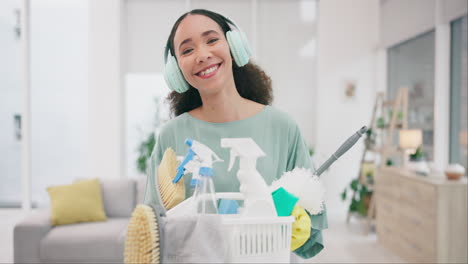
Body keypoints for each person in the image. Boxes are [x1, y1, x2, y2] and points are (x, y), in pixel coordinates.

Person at [143, 9, 327, 259]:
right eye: (187, 50)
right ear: (176, 70)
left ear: (234, 46)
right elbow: (153, 228)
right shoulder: (171, 135)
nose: (203, 55)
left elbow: (310, 223)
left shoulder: (282, 127)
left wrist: (298, 222)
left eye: (212, 40)